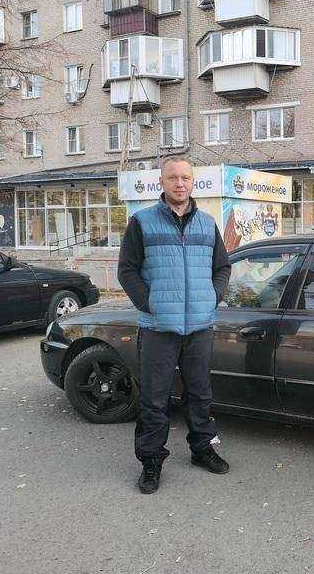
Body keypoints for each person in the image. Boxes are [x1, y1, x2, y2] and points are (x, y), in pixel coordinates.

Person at [117, 156, 232, 494]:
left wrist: (212, 296)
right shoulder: (142, 222)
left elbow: (222, 267)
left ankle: (202, 449)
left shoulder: (208, 224)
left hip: (200, 325)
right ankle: (151, 462)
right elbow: (127, 271)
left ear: (192, 182)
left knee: (200, 394)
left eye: (185, 177)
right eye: (173, 178)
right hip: (157, 328)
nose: (180, 183)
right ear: (161, 182)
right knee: (154, 399)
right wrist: (149, 303)